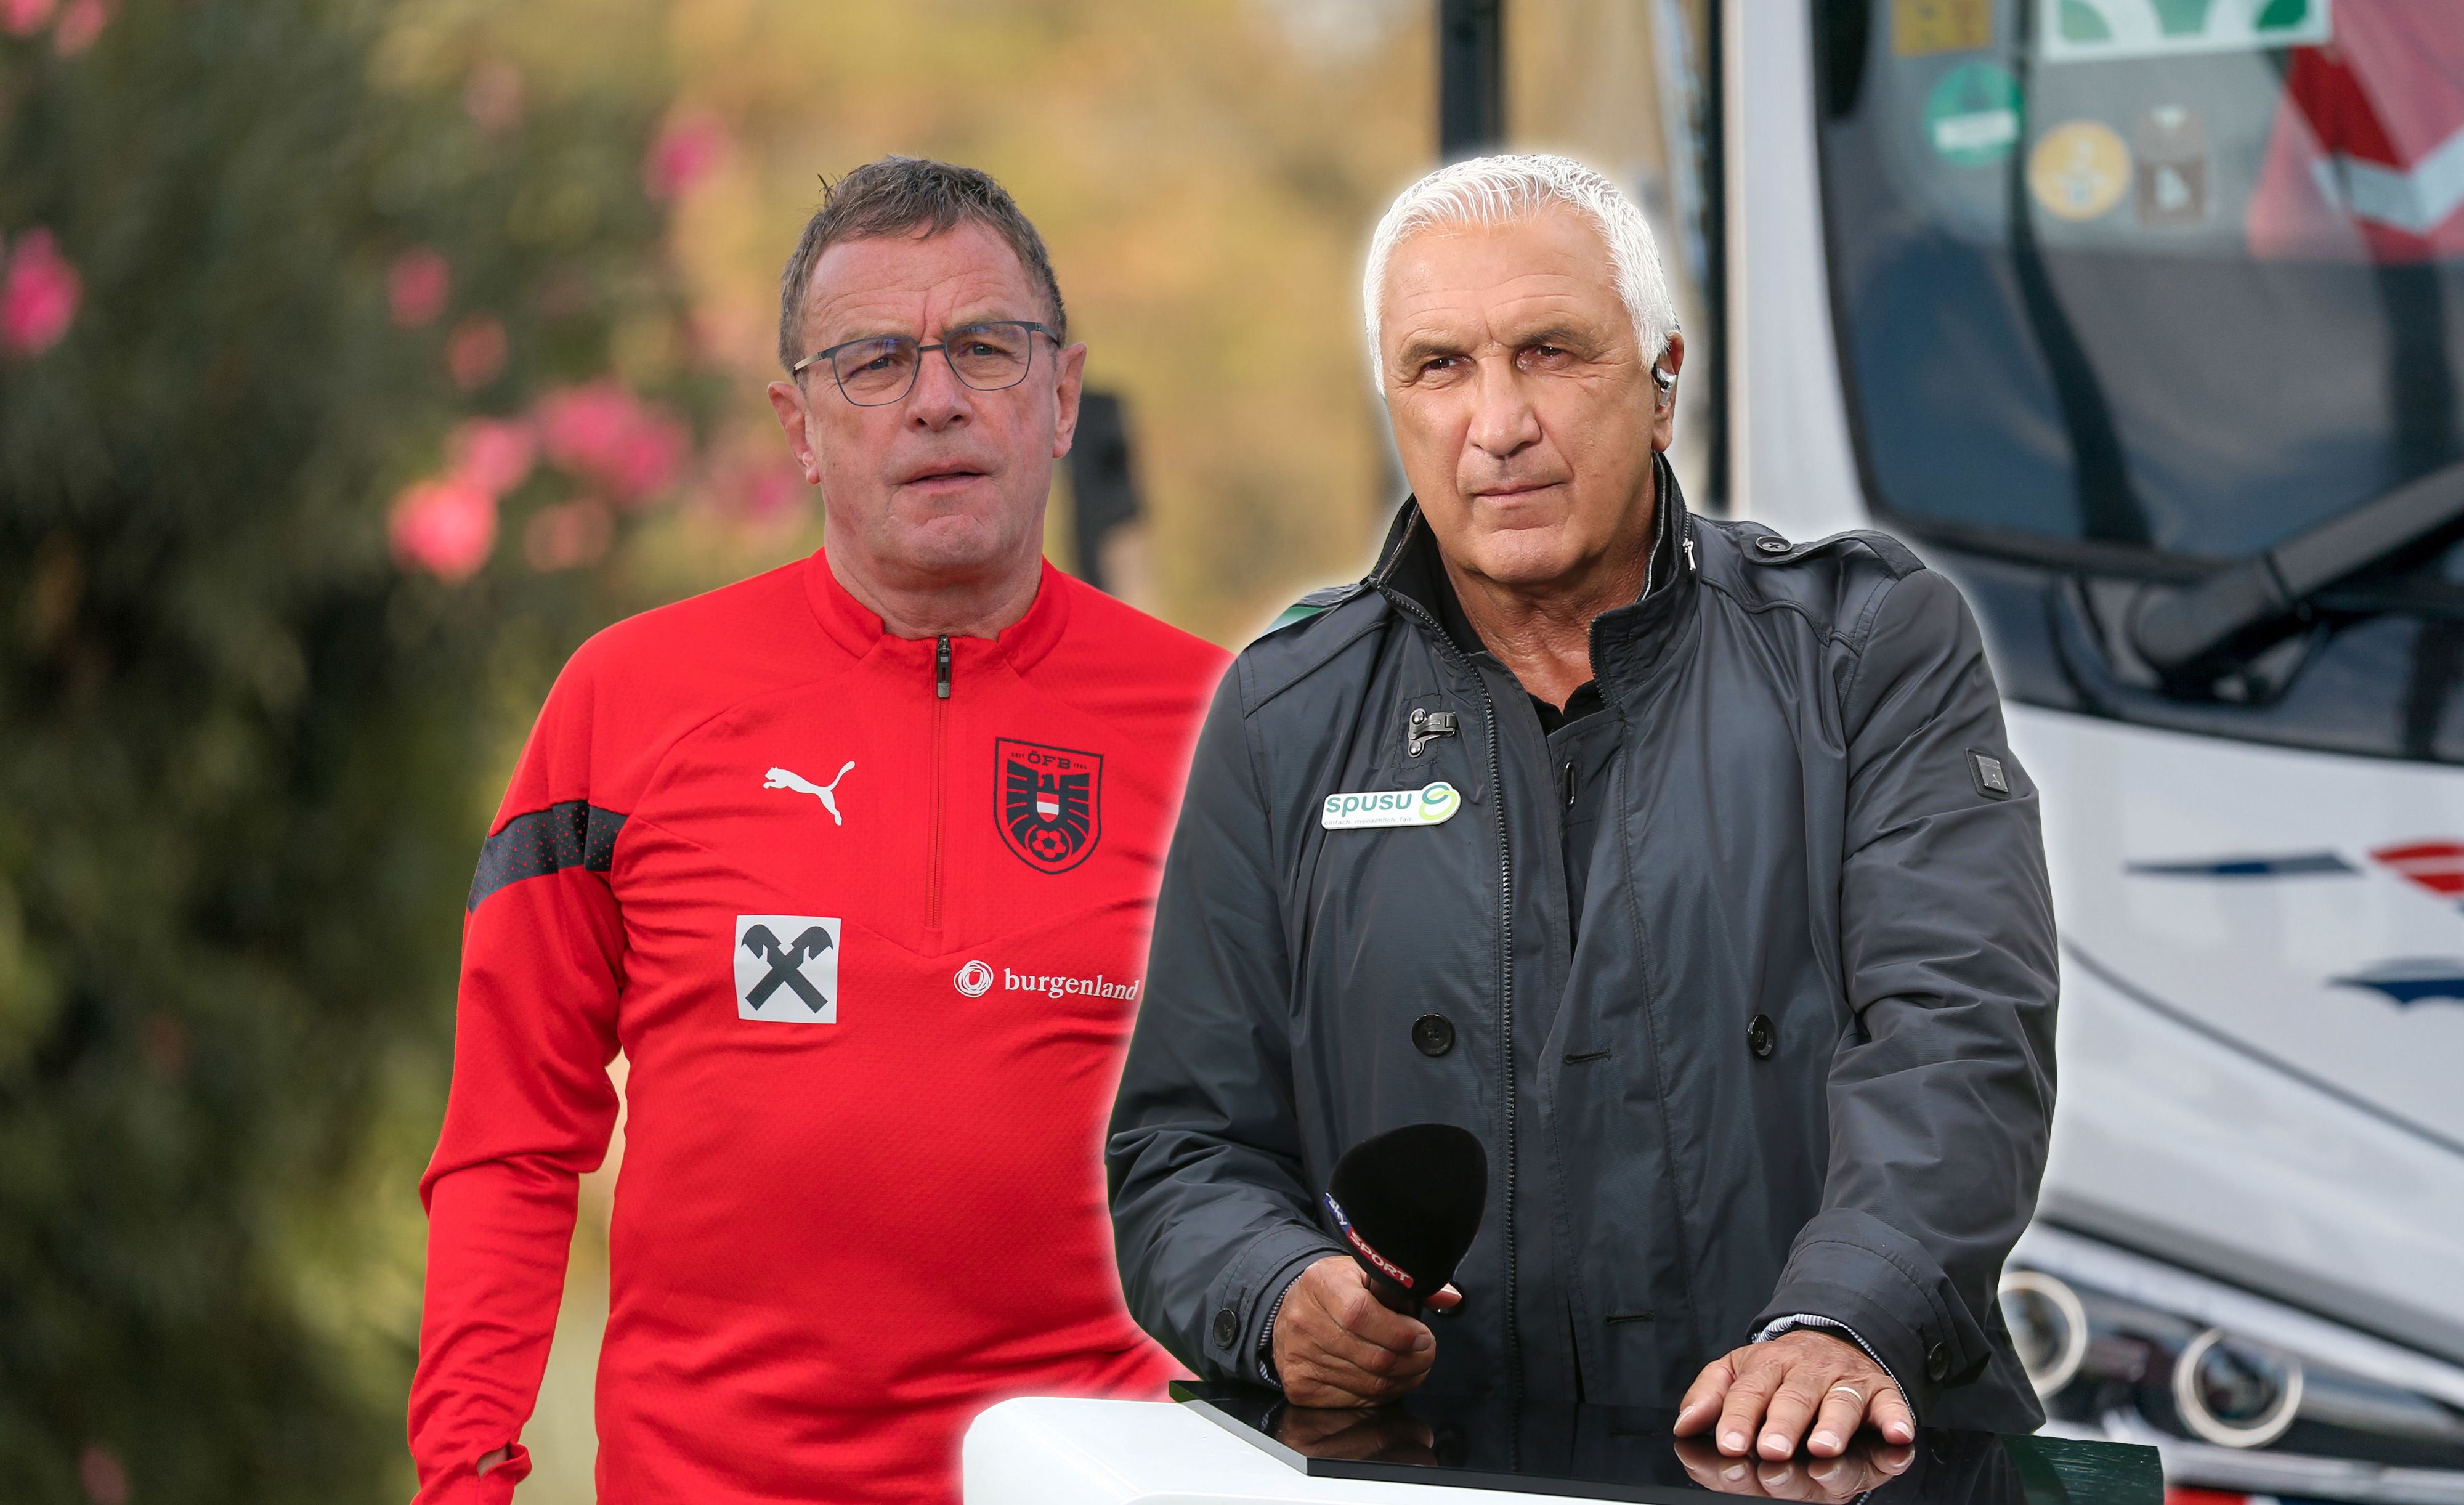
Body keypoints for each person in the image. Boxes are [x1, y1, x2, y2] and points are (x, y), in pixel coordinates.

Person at [1108, 154, 2057, 1459]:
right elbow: (1184, 1148)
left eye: (1548, 353)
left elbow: (1959, 1039)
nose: (1495, 424)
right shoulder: (1285, 714)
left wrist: (1843, 1319)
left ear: (1663, 384)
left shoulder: (1865, 650)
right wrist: (1275, 1295)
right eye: (1439, 367)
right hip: (1440, 1472)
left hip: (1826, 1471)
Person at [409, 156, 1227, 1505]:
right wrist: (463, 1478)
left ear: (1063, 394)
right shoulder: (625, 705)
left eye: (986, 347)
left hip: (1099, 1479)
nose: (937, 398)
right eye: (874, 362)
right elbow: (510, 1143)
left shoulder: (1225, 728)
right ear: (797, 424)